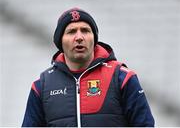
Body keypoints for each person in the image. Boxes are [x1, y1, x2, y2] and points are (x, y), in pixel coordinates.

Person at [22, 7, 155, 127]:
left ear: (94, 38)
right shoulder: (42, 87)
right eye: (71, 32)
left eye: (85, 30)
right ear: (60, 41)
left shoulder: (122, 78)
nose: (79, 37)